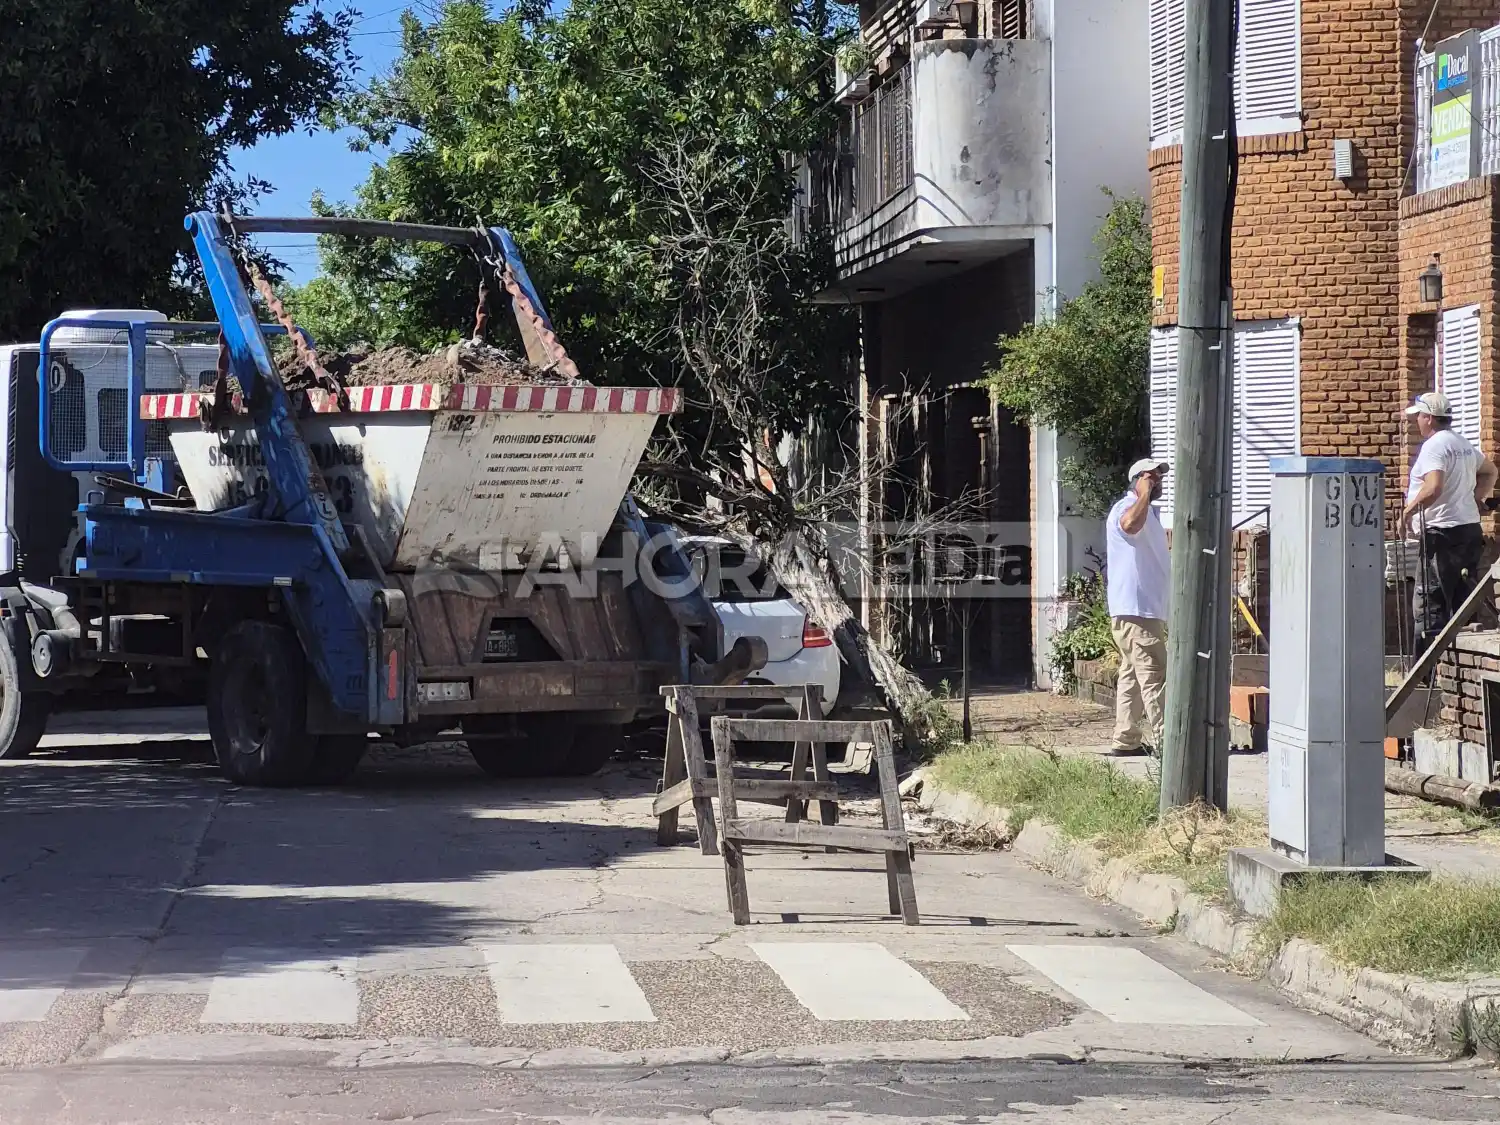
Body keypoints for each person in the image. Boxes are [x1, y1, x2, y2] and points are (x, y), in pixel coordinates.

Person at [1402, 391, 1498, 651]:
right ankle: (1459, 665)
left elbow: (1433, 487)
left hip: (1441, 534)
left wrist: (1408, 511)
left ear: (1430, 418)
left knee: (1431, 603)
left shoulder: (1434, 446)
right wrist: (1475, 498)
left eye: (1419, 417)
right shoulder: (1462, 444)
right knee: (1462, 601)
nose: (1417, 422)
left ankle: (1426, 671)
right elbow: (1490, 471)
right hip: (1467, 531)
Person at [1105, 458, 1171, 755]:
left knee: (1133, 674)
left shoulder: (1149, 513)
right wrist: (1142, 493)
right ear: (1137, 479)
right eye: (1151, 476)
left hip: (1140, 609)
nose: (1158, 480)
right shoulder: (1127, 507)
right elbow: (1129, 525)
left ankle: (1126, 738)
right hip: (1137, 610)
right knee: (1154, 675)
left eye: (1159, 477)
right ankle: (1168, 741)